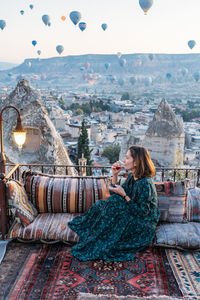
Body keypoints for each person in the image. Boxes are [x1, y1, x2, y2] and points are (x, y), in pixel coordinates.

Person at [68, 145, 160, 262]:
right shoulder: (133, 176)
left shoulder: (145, 183)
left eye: (127, 158)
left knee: (113, 203)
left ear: (136, 162)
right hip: (133, 214)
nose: (124, 160)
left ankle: (99, 238)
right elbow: (115, 194)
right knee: (102, 205)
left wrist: (124, 195)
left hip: (143, 225)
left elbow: (142, 212)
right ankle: (97, 235)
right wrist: (115, 174)